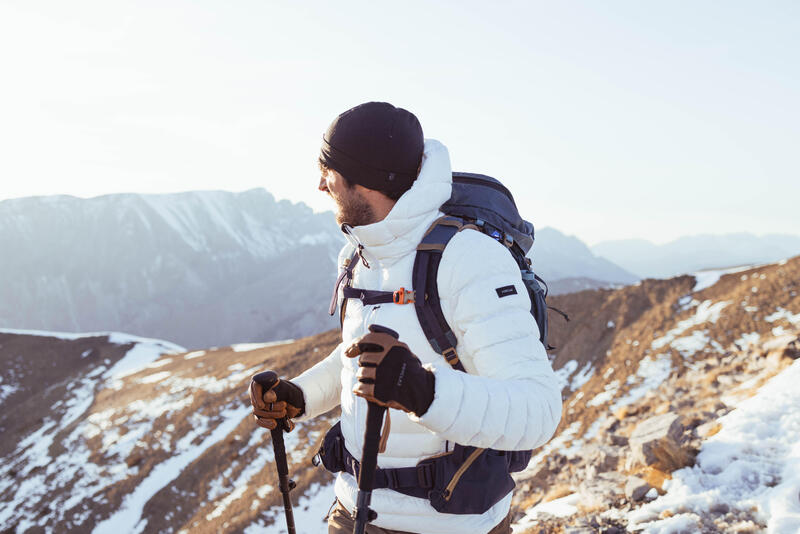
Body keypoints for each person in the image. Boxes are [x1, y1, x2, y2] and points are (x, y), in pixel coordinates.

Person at [249, 102, 562, 534]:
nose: (321, 186)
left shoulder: (467, 259)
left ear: (366, 181)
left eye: (329, 172)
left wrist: (423, 392)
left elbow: (538, 411)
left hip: (451, 523)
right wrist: (299, 396)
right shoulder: (359, 254)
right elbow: (363, 358)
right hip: (354, 511)